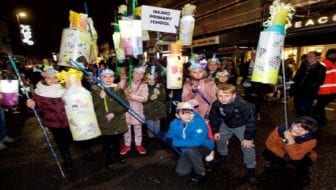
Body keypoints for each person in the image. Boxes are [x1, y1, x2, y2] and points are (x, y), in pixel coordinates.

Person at [26, 66, 94, 168]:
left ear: (59, 78)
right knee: (61, 144)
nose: (52, 80)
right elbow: (37, 110)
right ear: (44, 79)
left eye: (55, 77)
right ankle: (67, 160)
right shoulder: (39, 93)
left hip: (70, 121)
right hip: (53, 124)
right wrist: (31, 106)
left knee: (78, 138)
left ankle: (87, 153)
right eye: (49, 78)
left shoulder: (66, 88)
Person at [209, 83, 257, 184]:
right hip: (227, 124)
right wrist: (216, 131)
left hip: (242, 126)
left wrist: (248, 138)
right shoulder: (216, 104)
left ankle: (251, 168)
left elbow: (251, 121)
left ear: (233, 95)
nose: (223, 99)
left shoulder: (243, 104)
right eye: (220, 96)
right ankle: (223, 155)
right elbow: (214, 117)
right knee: (219, 139)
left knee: (248, 146)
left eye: (227, 96)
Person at [163, 102, 214, 187]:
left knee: (191, 150)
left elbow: (196, 142)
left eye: (190, 113)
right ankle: (197, 160)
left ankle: (201, 173)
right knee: (181, 172)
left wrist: (173, 142)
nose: (188, 116)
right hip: (186, 149)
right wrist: (166, 138)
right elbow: (170, 135)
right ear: (178, 115)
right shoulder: (174, 123)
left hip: (204, 146)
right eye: (184, 113)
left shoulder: (199, 123)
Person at [263, 116, 318, 185]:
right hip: (284, 152)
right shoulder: (280, 130)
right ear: (292, 124)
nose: (299, 130)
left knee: (301, 162)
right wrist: (283, 154)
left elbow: (296, 156)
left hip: (300, 156)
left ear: (308, 133)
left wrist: (290, 140)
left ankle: (303, 175)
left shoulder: (310, 141)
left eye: (304, 130)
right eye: (298, 126)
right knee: (267, 152)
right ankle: (279, 163)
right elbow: (269, 143)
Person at [92, 69, 129, 170]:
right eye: (105, 76)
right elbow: (92, 107)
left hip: (117, 121)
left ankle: (118, 156)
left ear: (114, 77)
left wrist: (114, 113)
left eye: (111, 76)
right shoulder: (96, 90)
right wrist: (100, 98)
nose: (108, 79)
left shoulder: (118, 89)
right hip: (104, 122)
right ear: (100, 78)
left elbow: (126, 105)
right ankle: (109, 159)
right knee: (107, 143)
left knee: (117, 141)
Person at [120, 65, 149, 155]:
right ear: (132, 73)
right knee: (126, 128)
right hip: (126, 110)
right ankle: (127, 144)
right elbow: (117, 92)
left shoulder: (144, 85)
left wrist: (131, 96)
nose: (139, 75)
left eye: (141, 74)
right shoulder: (125, 82)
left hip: (137, 110)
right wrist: (123, 81)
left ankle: (138, 144)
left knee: (137, 128)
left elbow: (144, 98)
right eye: (137, 73)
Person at [291, 51, 326, 117]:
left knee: (307, 110)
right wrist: (293, 83)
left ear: (316, 57)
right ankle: (299, 121)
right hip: (298, 91)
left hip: (309, 93)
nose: (308, 57)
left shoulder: (321, 68)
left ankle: (305, 124)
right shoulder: (303, 65)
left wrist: (308, 86)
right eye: (308, 56)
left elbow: (320, 81)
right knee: (298, 108)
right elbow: (297, 76)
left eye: (311, 56)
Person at [313, 49, 336, 126]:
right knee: (319, 107)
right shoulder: (323, 63)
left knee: (320, 106)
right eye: (331, 54)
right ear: (327, 55)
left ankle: (321, 121)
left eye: (334, 54)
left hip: (333, 91)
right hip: (323, 91)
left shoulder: (335, 64)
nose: (333, 55)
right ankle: (319, 121)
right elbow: (317, 76)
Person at [143, 72, 166, 147]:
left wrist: (159, 94)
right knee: (150, 127)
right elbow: (142, 99)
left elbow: (164, 98)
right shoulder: (143, 87)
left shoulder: (160, 86)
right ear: (146, 80)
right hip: (148, 110)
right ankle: (151, 140)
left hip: (158, 109)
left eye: (153, 79)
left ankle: (157, 140)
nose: (152, 81)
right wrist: (150, 97)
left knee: (157, 126)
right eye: (149, 79)